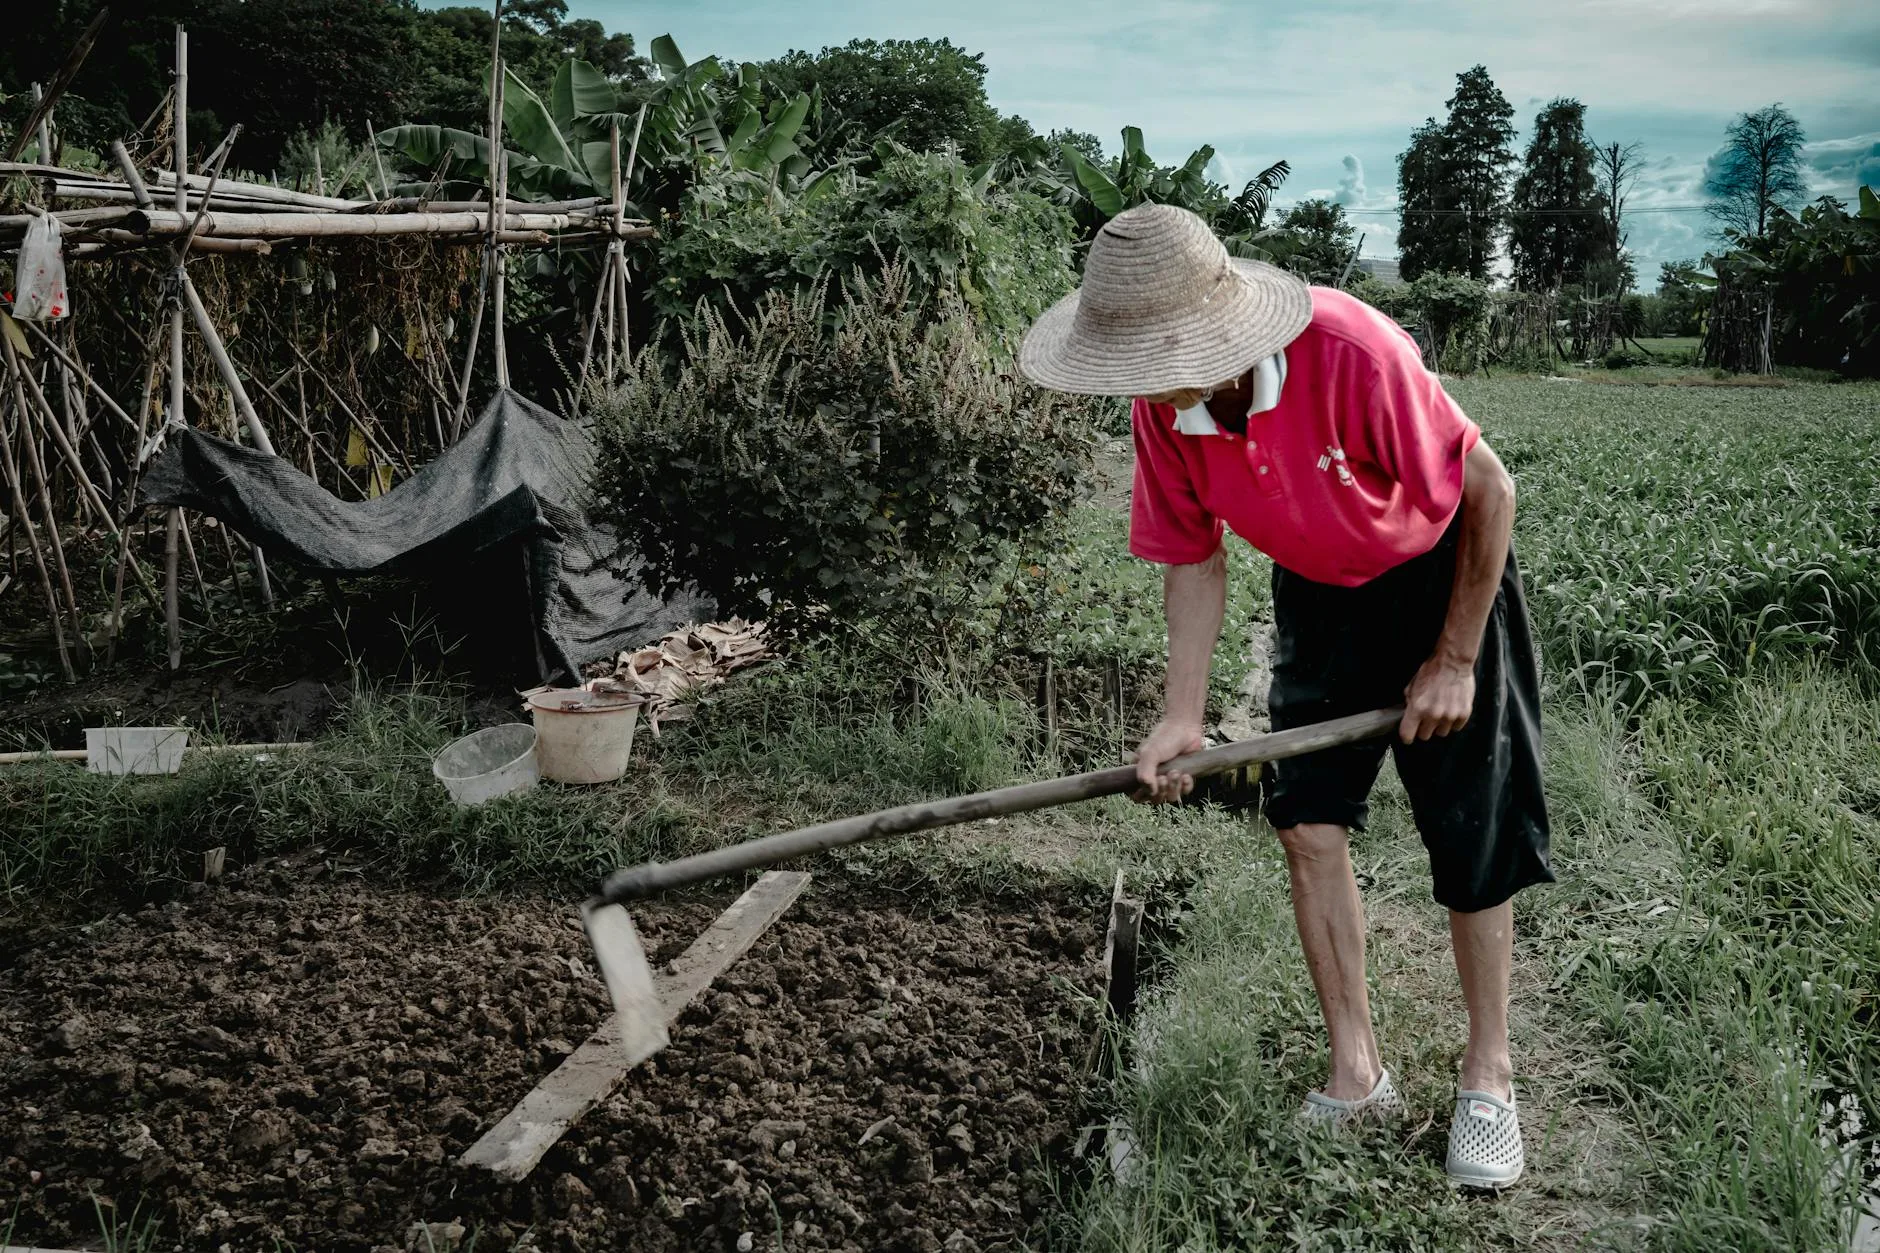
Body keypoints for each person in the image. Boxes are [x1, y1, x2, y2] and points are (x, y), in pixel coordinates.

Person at [1017, 203, 1552, 1190]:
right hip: (1319, 594)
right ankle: (1356, 1068)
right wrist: (1181, 712)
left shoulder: (1351, 350)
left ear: (1204, 336)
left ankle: (1488, 1073)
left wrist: (1454, 659)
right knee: (1306, 823)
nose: (1133, 376)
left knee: (1474, 833)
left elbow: (1490, 489)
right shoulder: (1160, 408)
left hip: (1438, 574)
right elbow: (1191, 557)